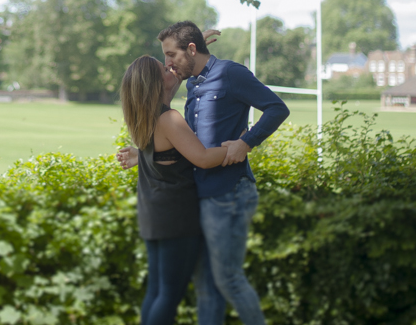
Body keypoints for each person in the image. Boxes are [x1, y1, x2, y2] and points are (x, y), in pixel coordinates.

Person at [119, 22, 290, 325]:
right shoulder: (191, 84)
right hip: (199, 196)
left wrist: (246, 143)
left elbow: (277, 108)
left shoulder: (230, 73)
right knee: (206, 288)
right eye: (165, 59)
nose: (169, 64)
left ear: (192, 50)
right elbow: (190, 146)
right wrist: (145, 154)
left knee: (226, 281)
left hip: (227, 193)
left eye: (171, 55)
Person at [119, 55, 238, 325]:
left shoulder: (144, 115)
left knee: (157, 291)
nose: (171, 67)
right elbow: (204, 158)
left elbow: (159, 79)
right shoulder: (169, 118)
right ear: (157, 82)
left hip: (154, 214)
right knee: (169, 296)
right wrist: (240, 145)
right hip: (176, 218)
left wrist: (190, 54)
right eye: (166, 68)